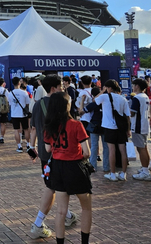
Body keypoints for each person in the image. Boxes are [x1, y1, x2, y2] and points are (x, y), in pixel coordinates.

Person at [28, 75, 77, 239]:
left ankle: (68, 215)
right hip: (61, 150)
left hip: (44, 151)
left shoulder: (38, 104)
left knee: (54, 184)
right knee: (52, 186)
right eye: (60, 86)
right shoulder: (62, 103)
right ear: (54, 88)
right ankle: (38, 223)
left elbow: (33, 129)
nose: (63, 88)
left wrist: (31, 147)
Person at [44, 91, 92, 244]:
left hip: (58, 168)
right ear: (67, 106)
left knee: (61, 211)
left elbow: (47, 149)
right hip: (75, 167)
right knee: (86, 207)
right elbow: (87, 152)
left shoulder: (49, 126)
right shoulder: (76, 125)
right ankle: (84, 241)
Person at [92, 80, 131, 182]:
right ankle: (123, 173)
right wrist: (128, 129)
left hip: (109, 127)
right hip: (121, 128)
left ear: (108, 88)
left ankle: (112, 173)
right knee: (123, 150)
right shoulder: (123, 99)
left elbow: (94, 100)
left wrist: (102, 91)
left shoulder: (104, 97)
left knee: (111, 150)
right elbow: (127, 116)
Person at [130, 78, 151, 181]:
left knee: (141, 148)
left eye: (134, 85)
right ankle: (145, 169)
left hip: (138, 126)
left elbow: (132, 113)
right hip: (144, 124)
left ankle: (145, 171)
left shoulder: (137, 98)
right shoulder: (145, 97)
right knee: (143, 147)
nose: (133, 87)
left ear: (137, 86)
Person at [9, 77, 31, 152]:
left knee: (16, 130)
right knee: (26, 129)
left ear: (12, 84)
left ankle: (19, 146)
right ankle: (28, 145)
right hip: (23, 114)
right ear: (19, 83)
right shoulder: (24, 92)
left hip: (14, 114)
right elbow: (28, 103)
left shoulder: (10, 93)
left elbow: (10, 104)